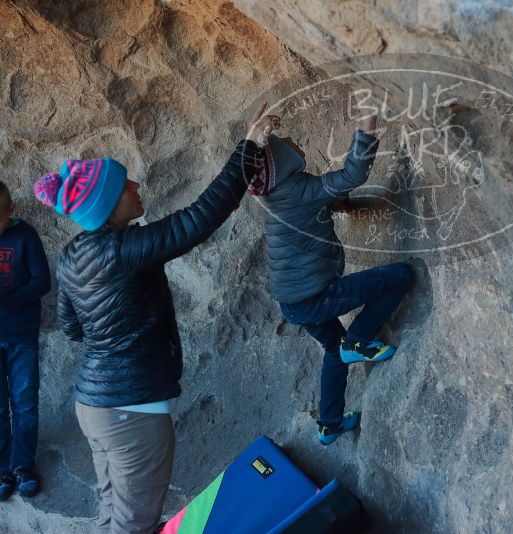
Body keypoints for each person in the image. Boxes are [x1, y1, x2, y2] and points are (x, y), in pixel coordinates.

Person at [33, 103, 279, 534]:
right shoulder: (126, 251)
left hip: (93, 405)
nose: (135, 183)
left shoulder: (72, 256)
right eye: (124, 184)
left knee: (114, 515)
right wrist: (250, 149)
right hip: (131, 413)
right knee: (135, 527)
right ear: (109, 207)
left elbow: (72, 327)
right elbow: (200, 218)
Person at [253, 113, 413, 446]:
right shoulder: (299, 189)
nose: (296, 142)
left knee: (332, 350)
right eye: (288, 144)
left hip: (293, 303)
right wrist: (368, 126)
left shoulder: (274, 194)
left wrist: (257, 136)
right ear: (282, 163)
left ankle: (330, 424)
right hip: (313, 298)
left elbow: (316, 201)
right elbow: (354, 174)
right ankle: (358, 339)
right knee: (400, 275)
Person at [0, 181, 51, 501]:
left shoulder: (25, 236)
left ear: (10, 212)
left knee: (24, 401)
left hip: (21, 334)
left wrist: (12, 297)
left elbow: (42, 281)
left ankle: (23, 465)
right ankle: (3, 467)